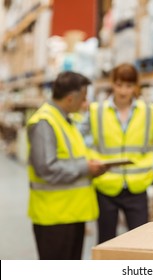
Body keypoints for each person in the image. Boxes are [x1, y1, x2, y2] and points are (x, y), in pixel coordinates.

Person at [79, 63, 153, 243]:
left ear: (136, 86)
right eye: (119, 85)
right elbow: (77, 136)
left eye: (128, 86)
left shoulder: (148, 111)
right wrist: (90, 158)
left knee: (140, 241)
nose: (123, 91)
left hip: (137, 184)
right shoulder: (97, 110)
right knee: (106, 240)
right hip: (106, 184)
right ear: (112, 84)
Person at [27, 71, 108, 260]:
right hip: (54, 217)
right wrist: (85, 168)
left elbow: (73, 156)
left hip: (71, 214)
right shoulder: (44, 123)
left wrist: (92, 166)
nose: (85, 103)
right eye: (83, 98)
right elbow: (45, 168)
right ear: (71, 98)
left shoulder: (66, 120)